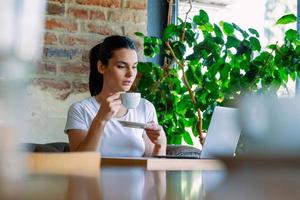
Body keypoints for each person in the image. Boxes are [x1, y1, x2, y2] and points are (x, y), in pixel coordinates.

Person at [64, 35, 167, 157]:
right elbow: (79, 163)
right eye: (121, 66)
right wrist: (101, 119)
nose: (130, 74)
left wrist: (161, 143)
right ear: (101, 67)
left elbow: (151, 167)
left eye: (134, 67)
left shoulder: (145, 108)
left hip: (137, 177)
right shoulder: (80, 110)